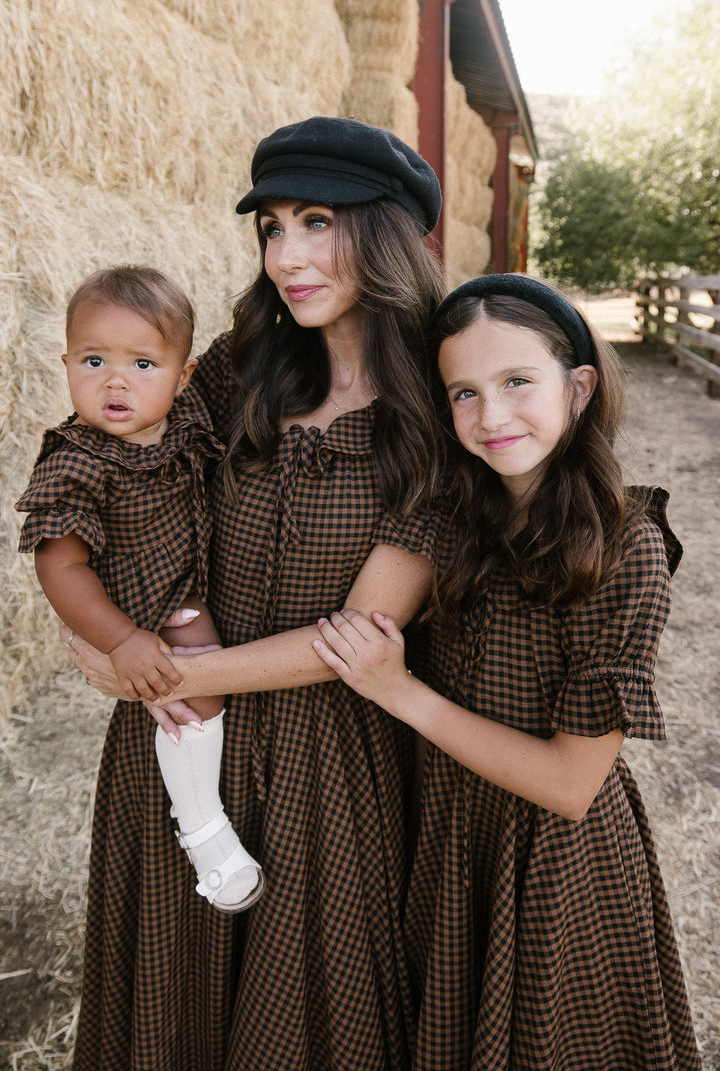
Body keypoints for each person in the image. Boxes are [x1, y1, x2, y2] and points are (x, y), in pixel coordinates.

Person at [62, 117, 447, 1070]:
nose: (287, 255)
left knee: (305, 1027)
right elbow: (108, 461)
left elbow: (366, 629)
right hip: (185, 747)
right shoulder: (238, 366)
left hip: (327, 765)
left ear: (389, 231)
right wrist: (100, 622)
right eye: (272, 227)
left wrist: (155, 669)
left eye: (317, 220)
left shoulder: (435, 410)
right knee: (167, 1010)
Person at [312, 274, 702, 1070]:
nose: (491, 417)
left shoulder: (625, 547)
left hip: (553, 864)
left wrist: (400, 692)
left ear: (580, 385)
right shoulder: (454, 520)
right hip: (448, 839)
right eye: (463, 392)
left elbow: (569, 782)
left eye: (517, 381)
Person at [16, 266, 264, 913]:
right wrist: (122, 639)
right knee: (197, 686)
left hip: (187, 583)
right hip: (142, 608)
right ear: (65, 362)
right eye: (94, 360)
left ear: (183, 377)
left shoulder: (183, 417)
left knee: (204, 674)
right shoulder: (76, 460)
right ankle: (202, 826)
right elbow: (60, 567)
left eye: (143, 363)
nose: (116, 380)